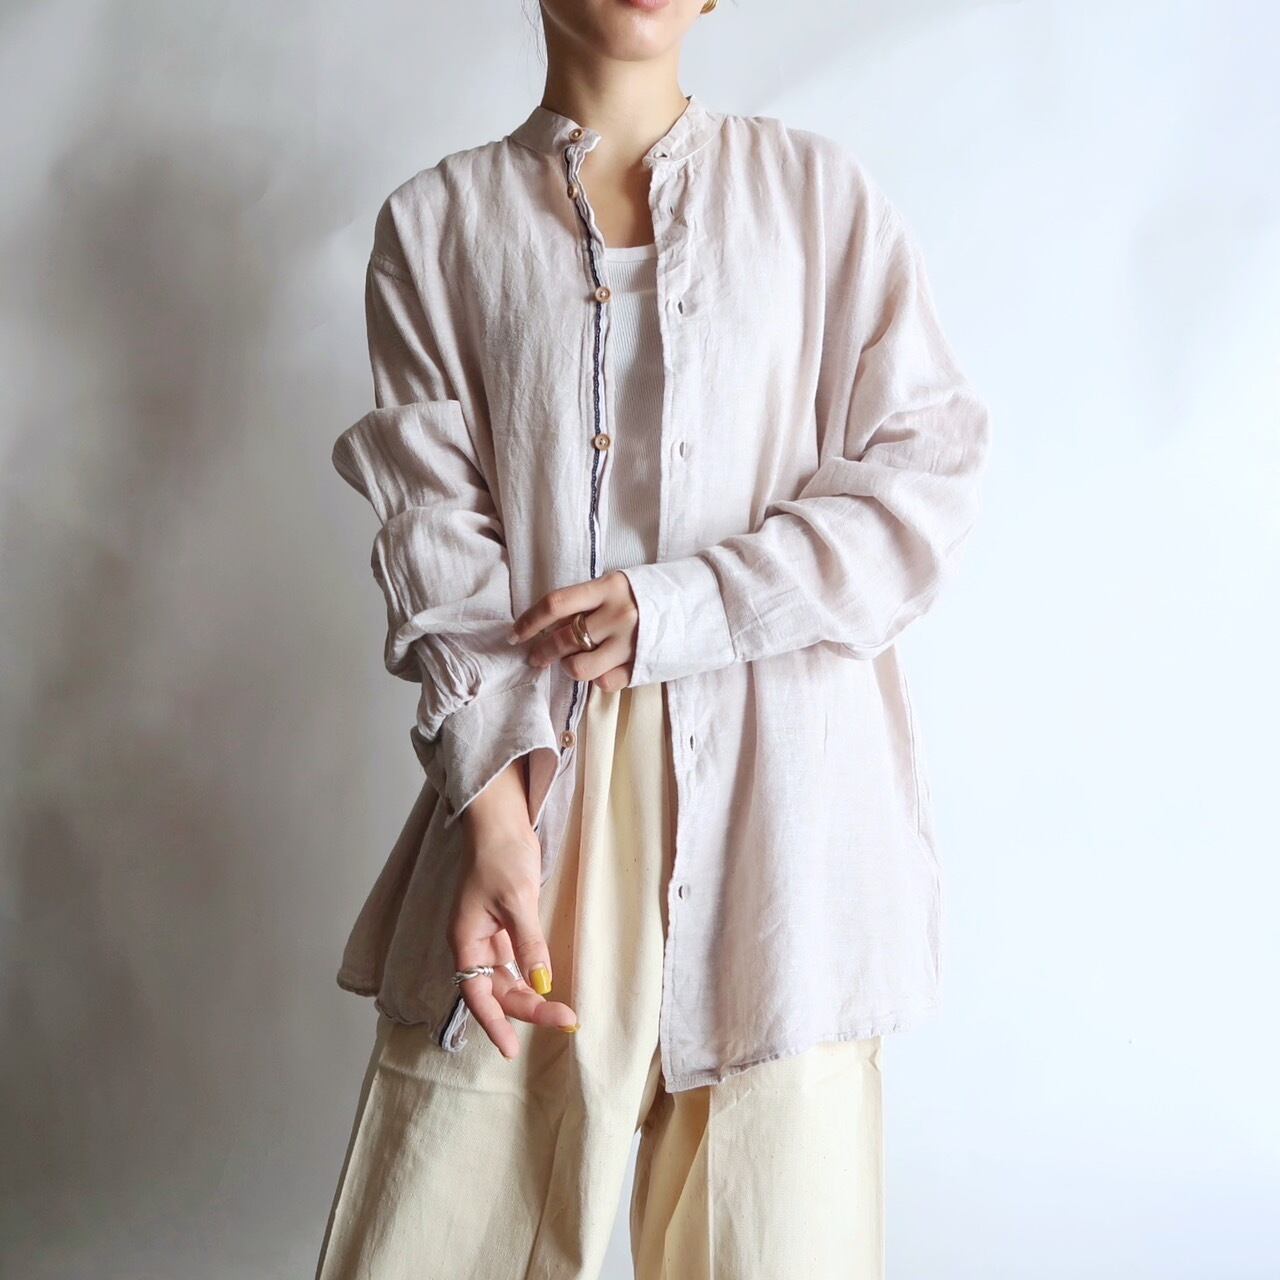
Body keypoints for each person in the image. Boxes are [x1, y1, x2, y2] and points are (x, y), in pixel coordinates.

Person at [314, 2, 992, 1276]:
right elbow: (435, 548)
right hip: (530, 799)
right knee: (441, 1240)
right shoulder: (436, 228)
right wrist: (494, 821)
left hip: (781, 828)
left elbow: (923, 487)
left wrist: (682, 607)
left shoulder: (817, 201)